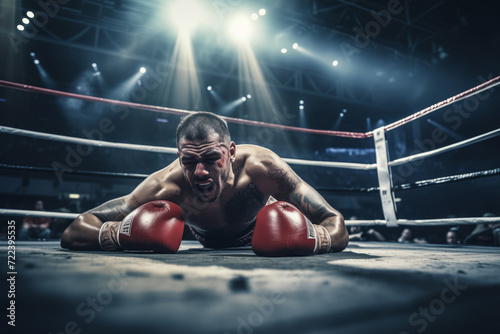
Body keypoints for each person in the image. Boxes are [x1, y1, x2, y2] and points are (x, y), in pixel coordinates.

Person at [61, 112, 348, 256]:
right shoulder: (165, 187)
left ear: (231, 152)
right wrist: (120, 235)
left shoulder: (263, 168)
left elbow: (334, 222)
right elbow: (74, 231)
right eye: (189, 161)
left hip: (260, 232)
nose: (199, 172)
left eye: (212, 158)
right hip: (206, 246)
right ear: (178, 156)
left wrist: (313, 237)